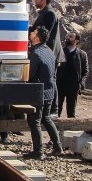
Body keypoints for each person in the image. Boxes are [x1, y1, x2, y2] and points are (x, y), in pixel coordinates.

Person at [25, 25, 64, 160]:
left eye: (34, 32)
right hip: (49, 91)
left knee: (34, 121)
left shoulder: (35, 53)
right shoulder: (48, 51)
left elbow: (29, 75)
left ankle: (38, 152)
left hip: (37, 92)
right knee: (46, 118)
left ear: (37, 37)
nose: (31, 33)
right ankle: (58, 147)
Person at [30, 0, 65, 111]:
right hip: (46, 52)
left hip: (50, 52)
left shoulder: (49, 13)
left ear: (44, 0)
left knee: (51, 80)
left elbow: (45, 33)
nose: (35, 0)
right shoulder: (44, 12)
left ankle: (53, 109)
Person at [56, 31, 89, 118]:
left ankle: (69, 128)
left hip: (73, 86)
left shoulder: (82, 54)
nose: (68, 38)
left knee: (71, 110)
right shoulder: (61, 52)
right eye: (68, 36)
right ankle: (56, 129)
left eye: (71, 37)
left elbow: (85, 71)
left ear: (77, 41)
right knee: (56, 108)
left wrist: (81, 83)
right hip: (60, 84)